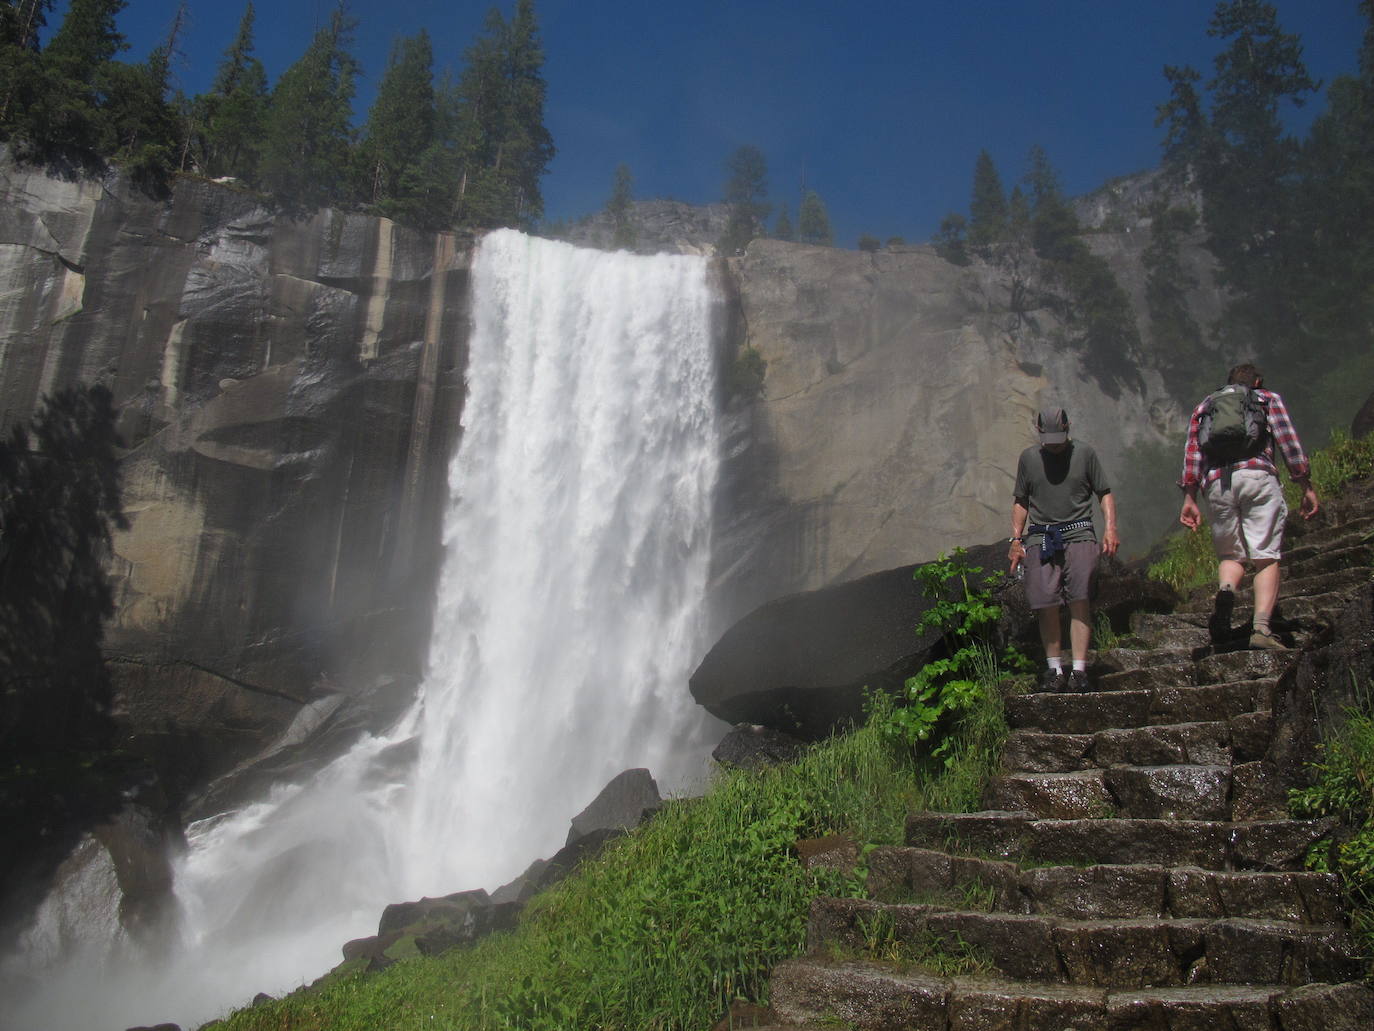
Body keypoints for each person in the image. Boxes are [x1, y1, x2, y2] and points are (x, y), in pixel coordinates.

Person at [1178, 363, 1319, 649]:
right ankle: (1261, 629)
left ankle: (1226, 594)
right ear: (1257, 381)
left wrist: (1190, 497)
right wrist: (1305, 485)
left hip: (1218, 484)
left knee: (1231, 556)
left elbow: (1193, 454)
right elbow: (1288, 442)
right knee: (1265, 555)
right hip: (1257, 478)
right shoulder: (1266, 398)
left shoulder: (1205, 406)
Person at [1009, 408, 1120, 692]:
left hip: (1080, 533)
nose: (1055, 443)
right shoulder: (1030, 459)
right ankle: (1055, 669)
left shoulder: (1085, 454)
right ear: (1039, 432)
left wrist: (1110, 528)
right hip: (1042, 537)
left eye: (1059, 437)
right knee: (1046, 603)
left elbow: (1103, 492)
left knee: (1079, 598)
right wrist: (1015, 541)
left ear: (1068, 427)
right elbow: (1021, 500)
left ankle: (1079, 670)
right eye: (1049, 438)